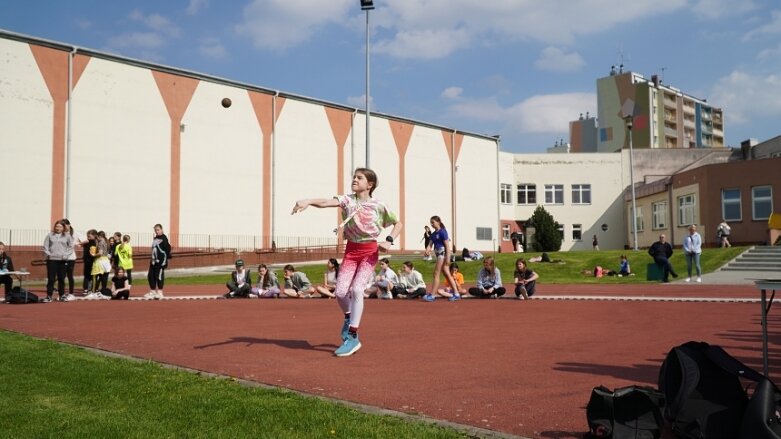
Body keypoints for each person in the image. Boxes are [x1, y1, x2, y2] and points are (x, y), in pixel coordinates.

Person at [292, 167, 401, 357]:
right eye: (354, 177)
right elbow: (326, 202)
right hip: (351, 251)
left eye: (359, 178)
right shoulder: (347, 200)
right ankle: (349, 317)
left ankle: (352, 336)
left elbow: (398, 224)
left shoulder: (379, 205)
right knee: (341, 293)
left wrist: (389, 241)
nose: (355, 180)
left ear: (370, 184)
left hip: (369, 252)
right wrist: (308, 201)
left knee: (358, 289)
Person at [424, 215, 461, 302]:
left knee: (436, 273)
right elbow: (430, 244)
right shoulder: (433, 234)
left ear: (438, 222)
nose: (432, 224)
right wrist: (427, 250)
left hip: (442, 254)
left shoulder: (442, 232)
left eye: (433, 222)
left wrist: (448, 257)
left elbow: (447, 246)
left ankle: (432, 295)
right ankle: (456, 293)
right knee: (447, 274)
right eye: (431, 223)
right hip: (438, 254)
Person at [42, 220, 73, 302]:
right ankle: (49, 296)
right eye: (56, 226)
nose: (58, 228)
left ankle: (62, 295)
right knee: (51, 279)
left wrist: (65, 255)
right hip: (51, 260)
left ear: (63, 228)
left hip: (62, 260)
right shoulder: (49, 235)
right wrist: (48, 254)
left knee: (61, 279)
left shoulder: (67, 236)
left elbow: (71, 247)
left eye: (60, 227)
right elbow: (45, 246)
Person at [60, 219, 85, 300]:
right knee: (61, 276)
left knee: (70, 275)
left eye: (65, 225)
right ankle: (62, 294)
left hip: (71, 257)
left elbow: (86, 240)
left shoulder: (75, 233)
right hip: (61, 257)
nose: (64, 227)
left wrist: (78, 244)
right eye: (62, 225)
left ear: (69, 224)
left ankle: (71, 293)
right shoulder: (61, 233)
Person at [145, 224, 171, 300]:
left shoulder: (164, 239)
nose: (156, 231)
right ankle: (152, 292)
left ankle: (160, 292)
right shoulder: (155, 238)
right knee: (150, 276)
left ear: (162, 229)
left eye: (158, 230)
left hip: (160, 262)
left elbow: (167, 250)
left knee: (158, 276)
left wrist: (164, 261)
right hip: (153, 261)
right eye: (155, 230)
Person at [87, 231, 111, 299]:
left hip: (100, 260)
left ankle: (93, 292)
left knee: (94, 276)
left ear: (99, 236)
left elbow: (100, 253)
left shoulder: (101, 242)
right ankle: (103, 292)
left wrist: (93, 254)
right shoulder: (106, 242)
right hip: (106, 261)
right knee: (103, 278)